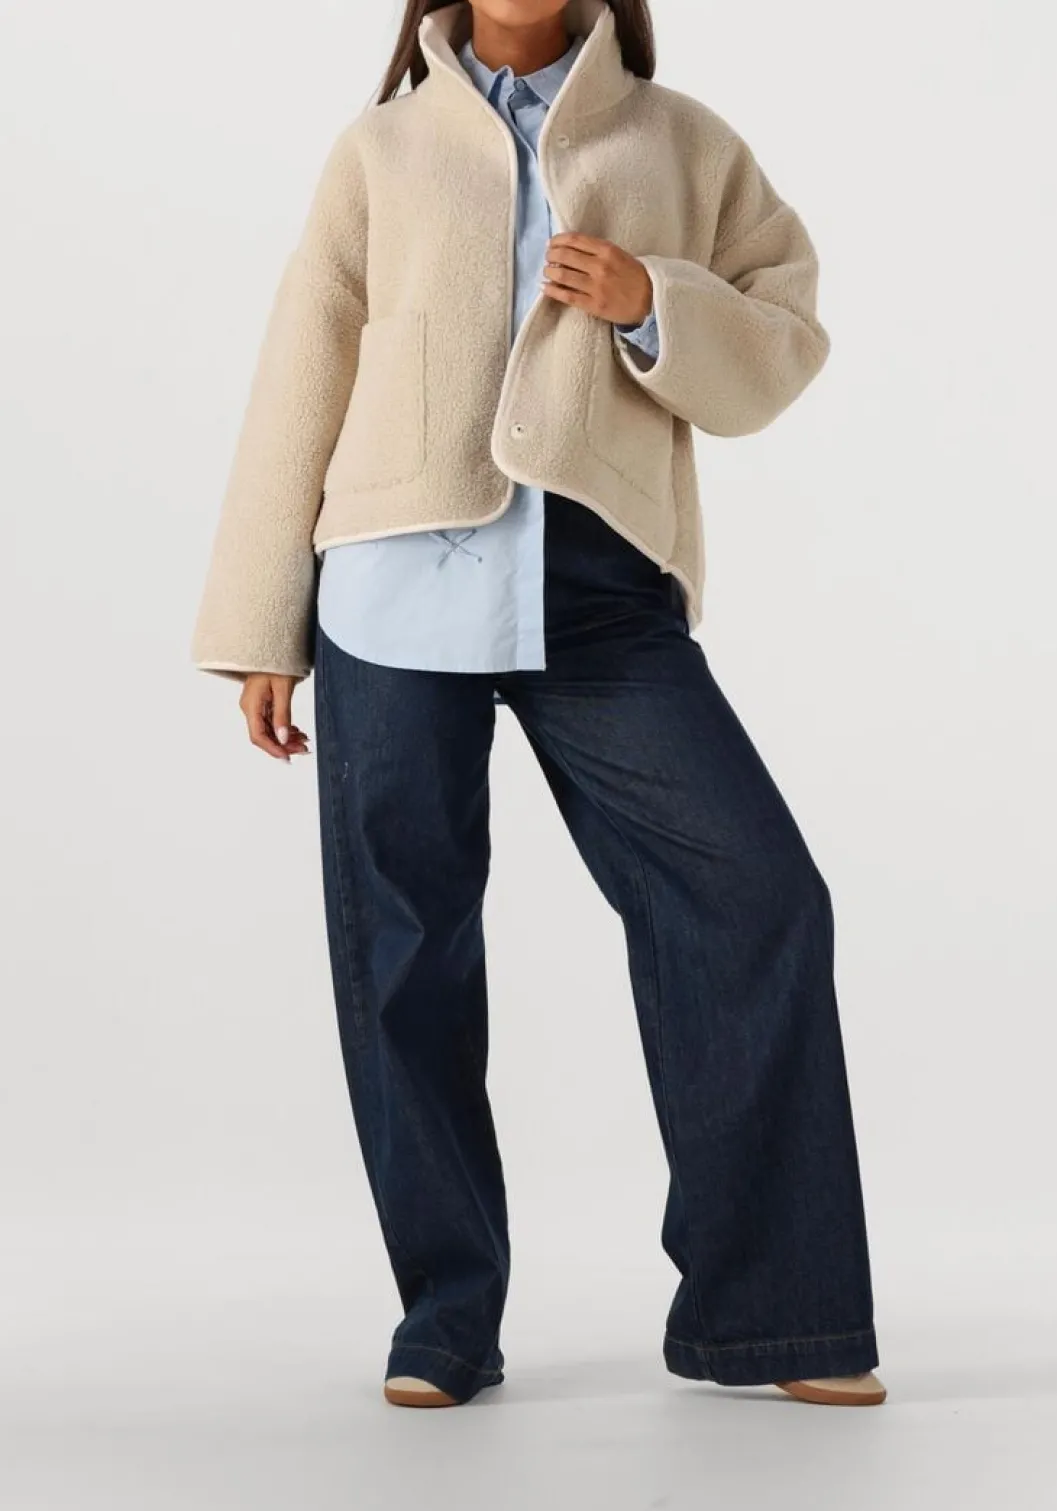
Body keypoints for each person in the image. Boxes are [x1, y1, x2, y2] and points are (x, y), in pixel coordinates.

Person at [191, 0, 886, 1409]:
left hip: (599, 588)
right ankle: (447, 1318)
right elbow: (303, 371)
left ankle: (779, 1313)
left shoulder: (680, 142)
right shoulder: (380, 150)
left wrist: (653, 306)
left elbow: (788, 329)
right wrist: (261, 620)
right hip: (388, 581)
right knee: (406, 954)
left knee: (757, 896)